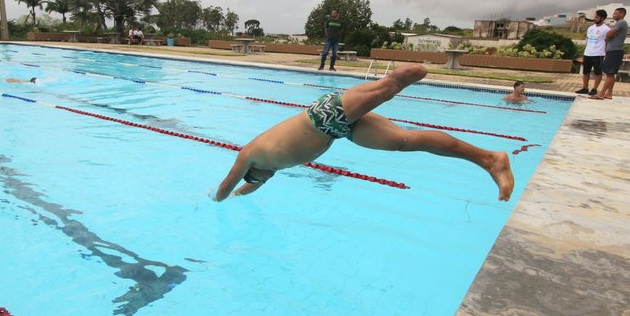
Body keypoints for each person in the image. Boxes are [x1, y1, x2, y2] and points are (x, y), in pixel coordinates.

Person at [215, 64, 514, 202]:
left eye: (259, 179)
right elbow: (247, 188)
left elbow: (229, 184)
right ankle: (489, 159)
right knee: (405, 141)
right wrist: (245, 193)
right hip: (340, 130)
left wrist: (215, 201)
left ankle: (394, 80)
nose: (262, 180)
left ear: (256, 172)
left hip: (324, 114)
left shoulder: (248, 156)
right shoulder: (271, 167)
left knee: (387, 89)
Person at [591, 7, 628, 100]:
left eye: (616, 13)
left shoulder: (622, 22)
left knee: (610, 73)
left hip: (615, 50)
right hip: (613, 50)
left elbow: (610, 33)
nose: (613, 15)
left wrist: (607, 38)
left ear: (622, 14)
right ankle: (609, 93)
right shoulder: (619, 23)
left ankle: (602, 93)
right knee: (611, 73)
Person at [575, 9, 610, 96]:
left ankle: (594, 89)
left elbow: (607, 41)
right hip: (588, 53)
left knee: (598, 72)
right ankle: (585, 87)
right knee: (586, 72)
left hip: (598, 53)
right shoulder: (590, 28)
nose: (595, 19)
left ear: (602, 18)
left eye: (597, 17)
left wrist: (606, 52)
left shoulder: (606, 29)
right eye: (595, 17)